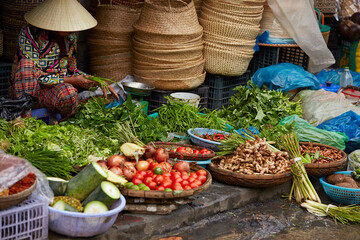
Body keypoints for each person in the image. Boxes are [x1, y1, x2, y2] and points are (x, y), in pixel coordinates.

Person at [10, 0, 119, 120]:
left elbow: (72, 71)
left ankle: (58, 119)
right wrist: (71, 80)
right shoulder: (30, 34)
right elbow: (32, 74)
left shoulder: (70, 38)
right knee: (26, 65)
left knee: (69, 94)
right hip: (29, 90)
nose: (72, 28)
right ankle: (24, 119)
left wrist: (96, 81)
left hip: (49, 94)